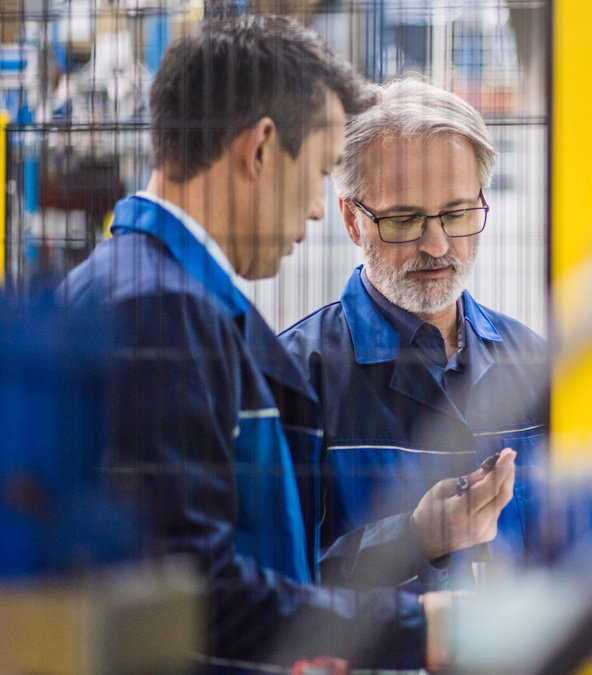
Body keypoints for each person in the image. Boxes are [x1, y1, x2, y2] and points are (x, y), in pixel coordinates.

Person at [59, 16, 481, 671]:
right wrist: (413, 626)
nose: (318, 210)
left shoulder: (136, 288)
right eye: (316, 172)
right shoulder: (160, 311)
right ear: (259, 150)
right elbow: (198, 592)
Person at [278, 75, 548, 590]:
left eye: (457, 212)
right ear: (351, 220)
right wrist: (413, 539)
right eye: (404, 219)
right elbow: (276, 600)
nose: (437, 243)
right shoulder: (295, 377)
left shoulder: (531, 363)